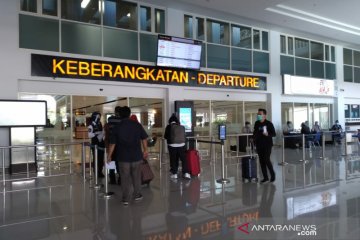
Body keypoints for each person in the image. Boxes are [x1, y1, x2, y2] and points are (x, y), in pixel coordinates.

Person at [107, 106, 148, 206]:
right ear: (129, 114)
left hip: (123, 157)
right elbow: (144, 138)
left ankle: (125, 199)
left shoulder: (117, 127)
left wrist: (109, 155)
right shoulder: (137, 125)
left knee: (124, 178)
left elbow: (112, 144)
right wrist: (145, 150)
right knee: (136, 176)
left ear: (119, 115)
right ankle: (137, 195)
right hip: (136, 156)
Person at [164, 114, 191, 180]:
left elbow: (165, 136)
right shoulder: (182, 126)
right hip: (182, 145)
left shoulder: (168, 127)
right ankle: (186, 173)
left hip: (172, 145)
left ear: (170, 121)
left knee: (174, 159)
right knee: (184, 159)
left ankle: (175, 174)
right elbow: (184, 136)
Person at [253, 108, 276, 184]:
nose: (258, 115)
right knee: (261, 161)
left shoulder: (269, 123)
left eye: (260, 114)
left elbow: (274, 134)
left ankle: (272, 175)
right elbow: (255, 133)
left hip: (267, 144)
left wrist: (268, 134)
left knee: (266, 159)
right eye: (258, 114)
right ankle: (265, 177)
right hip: (259, 144)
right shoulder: (257, 123)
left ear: (264, 115)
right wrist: (253, 140)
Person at [104, 106, 122, 185]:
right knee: (119, 162)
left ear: (115, 112)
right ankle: (120, 179)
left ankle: (112, 179)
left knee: (111, 160)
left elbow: (107, 128)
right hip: (120, 144)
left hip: (111, 143)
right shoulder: (122, 120)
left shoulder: (110, 119)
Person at [88, 111, 105, 178]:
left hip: (101, 143)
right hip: (95, 143)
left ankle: (100, 171)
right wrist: (96, 133)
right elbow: (89, 135)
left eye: (99, 116)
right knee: (96, 158)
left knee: (101, 158)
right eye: (97, 116)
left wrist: (102, 133)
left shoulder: (100, 123)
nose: (99, 118)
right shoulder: (90, 125)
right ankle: (96, 171)